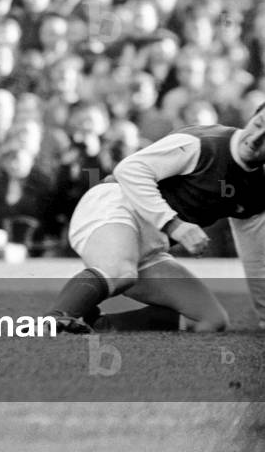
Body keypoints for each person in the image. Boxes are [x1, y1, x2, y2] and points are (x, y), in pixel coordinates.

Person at [49, 106, 265, 333]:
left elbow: (257, 258)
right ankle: (54, 321)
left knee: (210, 320)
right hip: (113, 206)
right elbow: (130, 169)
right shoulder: (204, 144)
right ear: (251, 117)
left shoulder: (257, 189)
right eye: (259, 124)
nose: (256, 139)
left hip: (150, 243)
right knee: (120, 271)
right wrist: (173, 224)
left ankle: (98, 325)